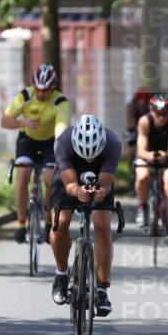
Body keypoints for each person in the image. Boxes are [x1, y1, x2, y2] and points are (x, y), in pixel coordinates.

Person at [49, 115, 121, 316]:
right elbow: (69, 184)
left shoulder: (113, 144)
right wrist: (77, 191)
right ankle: (61, 274)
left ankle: (101, 289)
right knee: (60, 222)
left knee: (102, 226)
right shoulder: (63, 143)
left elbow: (105, 183)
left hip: (100, 176)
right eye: (85, 156)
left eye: (93, 156)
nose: (89, 159)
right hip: (69, 176)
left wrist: (102, 192)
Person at [0, 64, 70, 244]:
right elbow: (4, 121)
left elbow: (61, 130)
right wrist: (22, 123)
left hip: (49, 142)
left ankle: (48, 222)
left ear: (52, 88)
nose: (40, 93)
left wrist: (59, 150)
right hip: (27, 141)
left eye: (44, 90)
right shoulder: (25, 96)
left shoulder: (60, 101)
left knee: (50, 177)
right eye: (37, 89)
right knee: (23, 173)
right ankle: (21, 224)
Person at [134, 93, 168, 235]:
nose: (161, 117)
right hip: (147, 155)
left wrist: (165, 155)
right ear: (151, 111)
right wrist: (151, 155)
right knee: (142, 176)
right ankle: (142, 208)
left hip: (167, 157)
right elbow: (141, 150)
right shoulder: (144, 121)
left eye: (165, 114)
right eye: (158, 114)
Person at [124, 88, 153, 192]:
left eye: (144, 103)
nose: (142, 106)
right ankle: (132, 177)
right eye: (140, 103)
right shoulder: (130, 106)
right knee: (132, 152)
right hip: (134, 130)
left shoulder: (152, 107)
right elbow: (130, 124)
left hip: (148, 129)